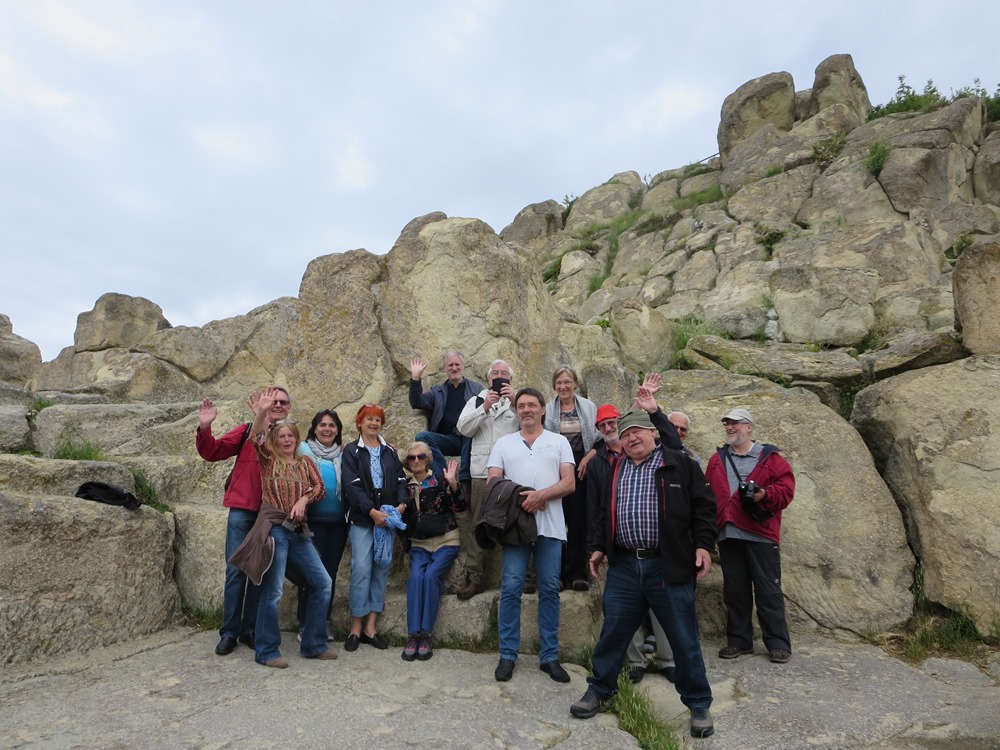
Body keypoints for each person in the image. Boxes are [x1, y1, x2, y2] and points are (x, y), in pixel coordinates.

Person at [571, 390, 717, 740]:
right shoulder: (615, 468)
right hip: (623, 564)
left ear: (653, 433)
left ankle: (698, 703)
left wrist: (704, 546)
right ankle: (600, 689)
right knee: (613, 633)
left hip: (668, 565)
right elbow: (604, 514)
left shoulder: (679, 463)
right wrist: (598, 548)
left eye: (637, 430)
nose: (631, 437)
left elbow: (705, 508)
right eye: (624, 434)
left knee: (683, 637)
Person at [488, 387, 576, 684]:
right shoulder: (503, 443)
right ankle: (507, 655)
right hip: (515, 526)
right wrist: (519, 498)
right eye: (521, 405)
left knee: (550, 588)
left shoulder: (559, 441)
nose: (526, 410)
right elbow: (493, 481)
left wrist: (541, 496)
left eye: (531, 405)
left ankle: (549, 656)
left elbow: (569, 483)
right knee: (511, 587)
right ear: (517, 411)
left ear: (542, 410)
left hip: (550, 525)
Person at [196, 385, 291, 656]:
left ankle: (249, 629)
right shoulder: (247, 429)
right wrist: (205, 429)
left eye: (283, 402)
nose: (278, 405)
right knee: (236, 572)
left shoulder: (289, 437)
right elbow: (212, 452)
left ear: (289, 407)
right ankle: (229, 632)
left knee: (258, 573)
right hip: (242, 509)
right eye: (273, 401)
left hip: (270, 513)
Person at [243, 388, 336, 668]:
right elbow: (256, 438)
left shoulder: (305, 462)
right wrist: (261, 411)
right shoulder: (268, 458)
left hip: (299, 531)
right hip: (275, 529)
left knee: (322, 583)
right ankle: (267, 651)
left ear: (297, 440)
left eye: (290, 436)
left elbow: (319, 487)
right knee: (273, 591)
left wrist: (304, 499)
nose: (286, 440)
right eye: (281, 436)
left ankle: (313, 644)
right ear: (276, 440)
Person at [704, 408, 795, 664]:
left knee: (768, 591)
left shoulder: (771, 458)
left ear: (750, 427)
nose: (731, 428)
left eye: (736, 424)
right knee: (735, 592)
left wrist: (764, 495)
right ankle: (739, 641)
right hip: (729, 534)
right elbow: (707, 494)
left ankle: (778, 643)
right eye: (728, 424)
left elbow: (786, 492)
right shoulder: (717, 459)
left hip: (761, 534)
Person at [341, 403, 408, 652]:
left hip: (387, 519)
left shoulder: (389, 451)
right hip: (363, 518)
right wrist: (371, 511)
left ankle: (371, 627)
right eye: (368, 419)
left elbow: (401, 480)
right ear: (359, 423)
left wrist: (401, 505)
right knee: (361, 569)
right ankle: (355, 628)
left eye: (377, 419)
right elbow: (352, 486)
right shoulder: (351, 451)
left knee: (381, 568)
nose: (373, 423)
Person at [454, 359, 520, 600]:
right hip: (482, 472)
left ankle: (524, 577)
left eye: (504, 374)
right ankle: (474, 579)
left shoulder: (518, 401)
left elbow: (532, 424)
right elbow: (463, 429)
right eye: (496, 374)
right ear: (489, 378)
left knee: (515, 522)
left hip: (510, 473)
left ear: (511, 380)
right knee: (477, 525)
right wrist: (484, 408)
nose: (500, 377)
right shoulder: (477, 400)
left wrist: (515, 400)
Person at [400, 442, 467, 661]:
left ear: (428, 459)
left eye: (420, 456)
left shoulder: (440, 479)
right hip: (419, 543)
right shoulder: (404, 486)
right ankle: (413, 634)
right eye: (412, 458)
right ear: (407, 463)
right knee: (416, 577)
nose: (416, 460)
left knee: (431, 576)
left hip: (446, 540)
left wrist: (454, 485)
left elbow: (461, 506)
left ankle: (426, 634)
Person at [543, 365, 598, 591]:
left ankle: (577, 573)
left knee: (577, 522)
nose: (563, 386)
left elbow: (599, 438)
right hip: (555, 467)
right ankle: (555, 574)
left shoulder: (588, 406)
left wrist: (586, 458)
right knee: (556, 521)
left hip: (582, 466)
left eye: (567, 382)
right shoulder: (548, 408)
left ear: (575, 383)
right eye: (559, 383)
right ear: (554, 386)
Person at [297, 410, 348, 642]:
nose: (327, 429)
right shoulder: (303, 449)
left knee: (330, 574)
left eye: (332, 425)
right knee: (311, 574)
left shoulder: (344, 454)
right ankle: (305, 623)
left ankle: (323, 621)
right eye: (322, 425)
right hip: (312, 522)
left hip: (338, 524)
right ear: (314, 428)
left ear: (337, 430)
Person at [409, 352, 484, 491]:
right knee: (422, 437)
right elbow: (417, 402)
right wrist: (415, 377)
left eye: (457, 364)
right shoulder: (437, 391)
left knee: (469, 429)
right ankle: (443, 477)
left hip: (470, 438)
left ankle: (465, 482)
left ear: (463, 366)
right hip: (448, 439)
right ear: (445, 368)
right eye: (450, 365)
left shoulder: (476, 389)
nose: (454, 368)